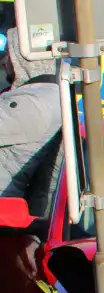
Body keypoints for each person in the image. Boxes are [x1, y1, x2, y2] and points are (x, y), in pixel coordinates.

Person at [0, 26, 62, 199]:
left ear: (22, 57)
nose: (3, 62)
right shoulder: (47, 95)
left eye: (8, 54)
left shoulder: (32, 103)